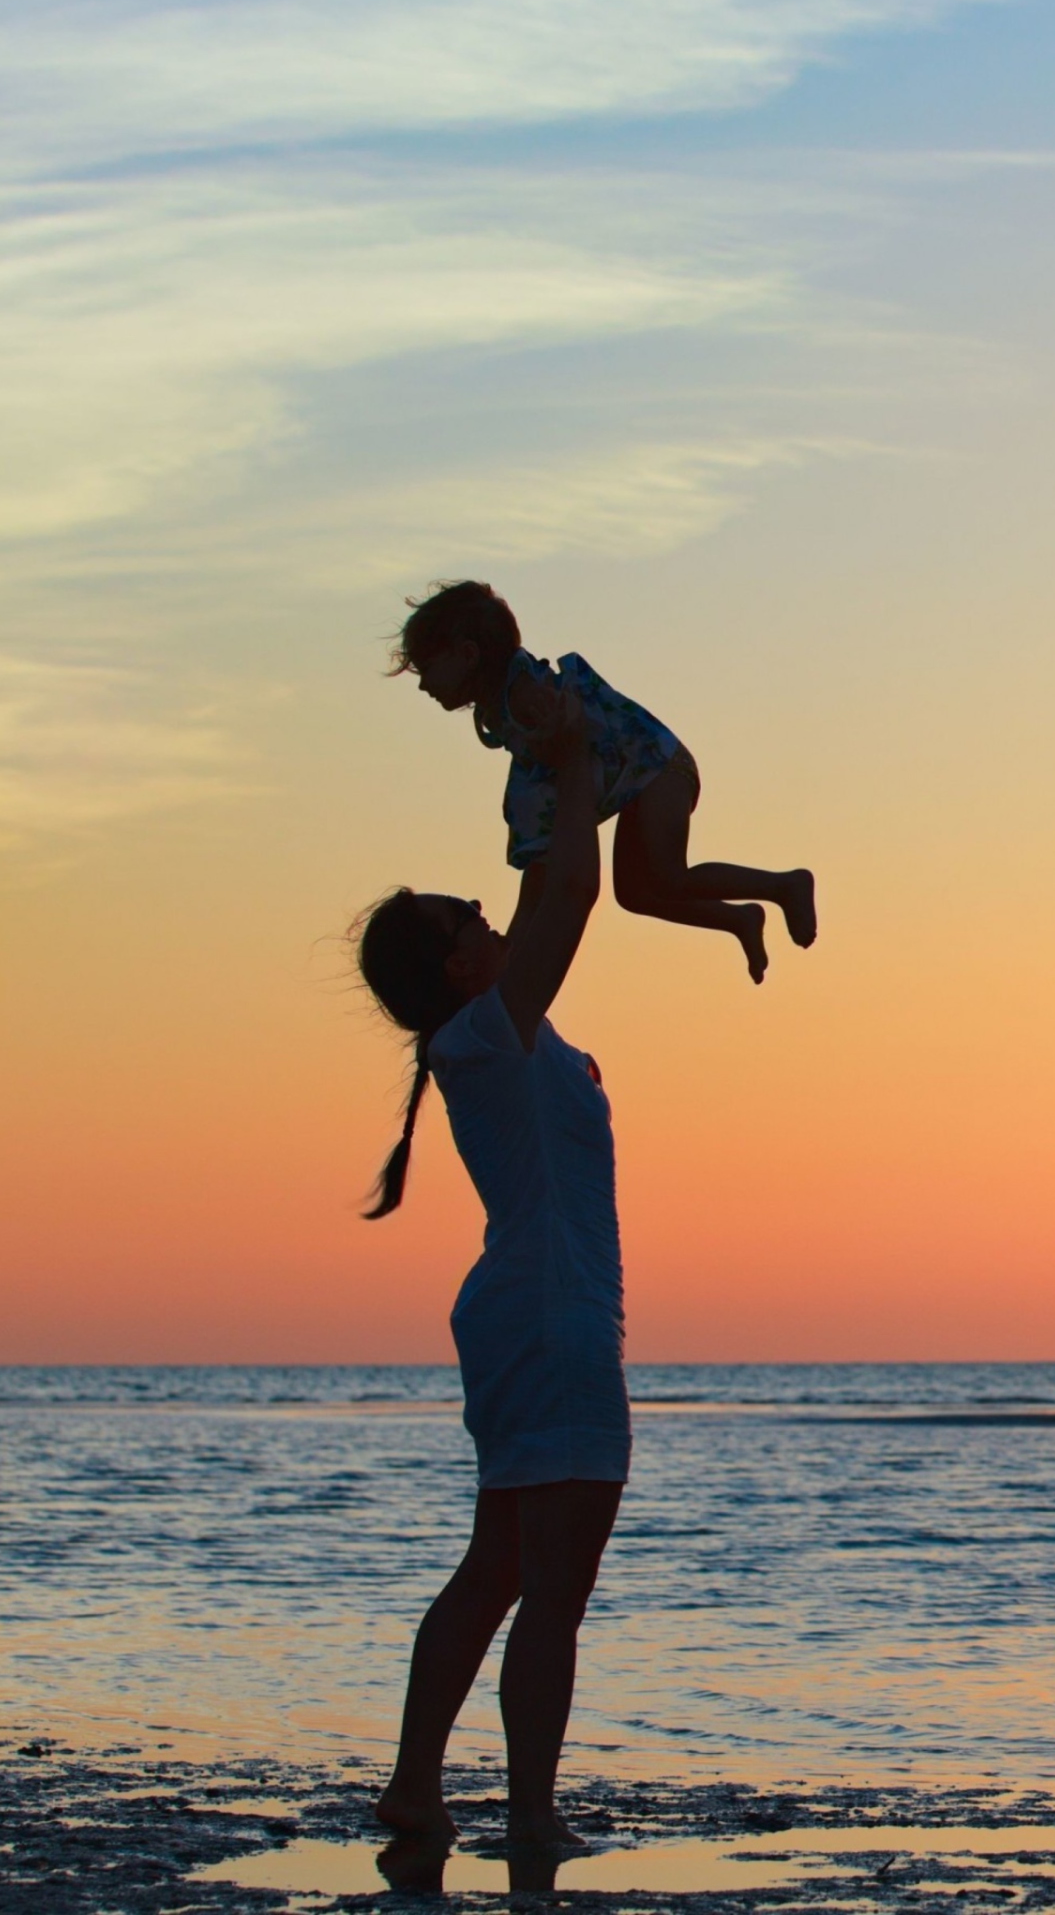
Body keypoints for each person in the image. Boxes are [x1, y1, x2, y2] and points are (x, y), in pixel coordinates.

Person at [354, 688, 627, 1853]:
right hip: (552, 1322)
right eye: (469, 910)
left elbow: (542, 892)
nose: (487, 903)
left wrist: (564, 773)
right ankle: (529, 1818)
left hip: (526, 1316)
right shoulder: (488, 1028)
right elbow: (567, 891)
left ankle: (421, 1787)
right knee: (547, 1589)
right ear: (460, 963)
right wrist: (570, 764)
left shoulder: (490, 1034)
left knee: (501, 1566)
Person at [392, 578, 817, 983]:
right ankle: (739, 917)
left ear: (468, 655)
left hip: (657, 765)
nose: (423, 684)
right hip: (637, 778)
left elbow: (561, 766)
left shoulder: (527, 699)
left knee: (667, 875)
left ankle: (783, 885)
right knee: (635, 894)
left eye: (427, 668)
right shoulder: (500, 706)